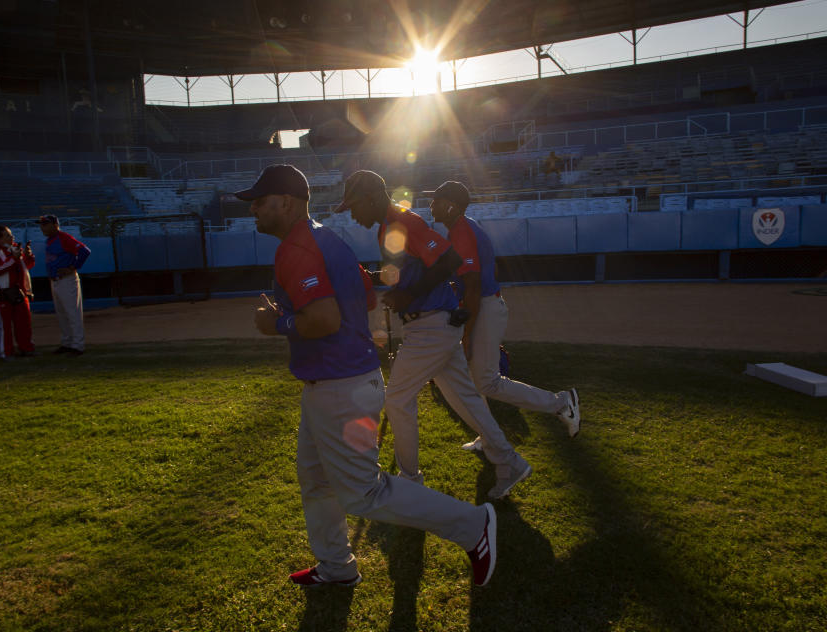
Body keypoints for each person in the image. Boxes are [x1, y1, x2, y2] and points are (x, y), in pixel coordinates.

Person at [237, 164, 498, 588]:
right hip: (342, 381)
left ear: (286, 203)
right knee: (316, 477)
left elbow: (322, 318)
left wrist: (278, 323)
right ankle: (337, 566)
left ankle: (472, 525)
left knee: (365, 492)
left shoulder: (297, 248)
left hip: (339, 387)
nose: (254, 211)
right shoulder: (327, 239)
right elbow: (361, 295)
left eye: (260, 203)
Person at [335, 170, 531, 500]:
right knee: (467, 400)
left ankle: (409, 482)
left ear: (371, 199)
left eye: (354, 206)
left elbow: (448, 260)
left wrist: (409, 297)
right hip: (430, 325)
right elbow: (411, 270)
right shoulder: (388, 225)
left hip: (430, 326)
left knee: (396, 400)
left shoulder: (403, 220)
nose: (353, 214)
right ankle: (509, 462)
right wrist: (371, 276)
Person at [428, 181, 580, 451]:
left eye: (436, 199)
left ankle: (561, 403)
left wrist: (466, 332)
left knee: (487, 381)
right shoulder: (463, 227)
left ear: (450, 205)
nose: (431, 205)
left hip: (483, 306)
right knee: (472, 378)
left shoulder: (462, 231)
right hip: (484, 305)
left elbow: (474, 287)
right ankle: (487, 437)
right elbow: (490, 270)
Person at [38, 214, 91, 355]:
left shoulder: (63, 237)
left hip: (67, 280)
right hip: (55, 280)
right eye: (41, 224)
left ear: (55, 225)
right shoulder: (50, 240)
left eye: (45, 224)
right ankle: (67, 343)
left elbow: (85, 251)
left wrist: (73, 267)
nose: (42, 227)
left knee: (72, 314)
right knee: (62, 315)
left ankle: (78, 345)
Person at [0, 225, 37, 360]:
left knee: (23, 322)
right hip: (0, 293)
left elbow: (26, 267)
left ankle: (26, 348)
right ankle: (5, 352)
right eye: (7, 235)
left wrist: (29, 257)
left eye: (11, 235)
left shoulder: (14, 247)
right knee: (3, 325)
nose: (12, 237)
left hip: (18, 291)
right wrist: (13, 258)